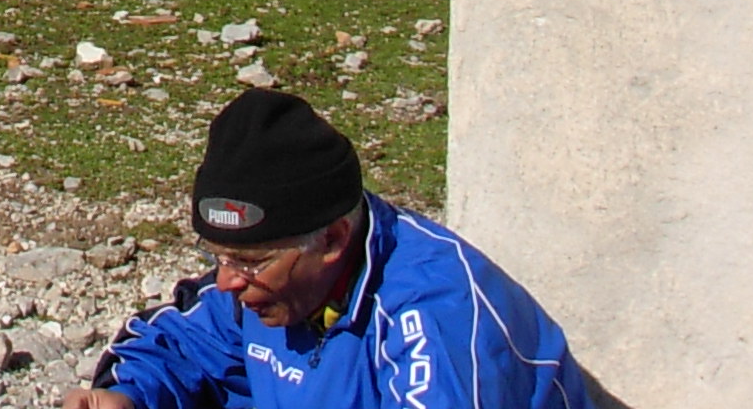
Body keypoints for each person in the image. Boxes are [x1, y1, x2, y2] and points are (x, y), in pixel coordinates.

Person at [64, 88, 589, 409]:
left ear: (333, 239)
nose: (225, 282)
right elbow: (180, 343)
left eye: (250, 261)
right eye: (217, 256)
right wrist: (127, 395)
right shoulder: (263, 289)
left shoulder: (436, 318)